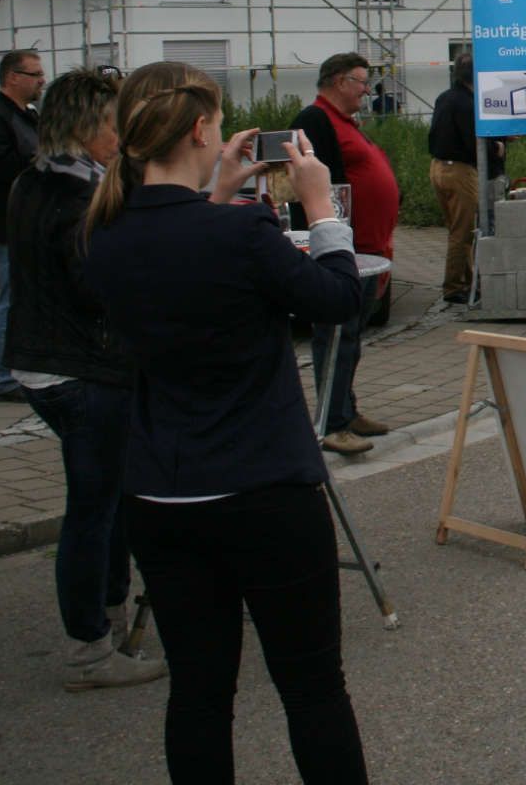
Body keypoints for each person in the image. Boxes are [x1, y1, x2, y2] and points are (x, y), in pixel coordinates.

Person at [82, 61, 369, 783]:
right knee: (311, 690)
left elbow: (181, 248)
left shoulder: (105, 236)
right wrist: (321, 209)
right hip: (265, 491)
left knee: (201, 694)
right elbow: (337, 299)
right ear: (202, 127)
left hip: (162, 497)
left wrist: (220, 193)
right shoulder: (240, 236)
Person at [6, 68, 167, 693]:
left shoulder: (38, 180)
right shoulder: (71, 198)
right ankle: (89, 647)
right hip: (80, 370)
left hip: (51, 363)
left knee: (107, 499)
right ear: (86, 127)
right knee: (94, 509)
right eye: (113, 128)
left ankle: (109, 614)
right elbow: (96, 288)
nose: (120, 139)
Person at [291, 53, 400, 455]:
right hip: (345, 250)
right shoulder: (315, 120)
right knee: (336, 335)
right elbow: (317, 186)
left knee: (352, 336)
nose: (366, 90)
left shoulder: (344, 122)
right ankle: (332, 423)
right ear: (338, 81)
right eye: (360, 81)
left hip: (367, 249)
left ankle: (346, 411)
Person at [0, 48, 44, 402]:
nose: (41, 80)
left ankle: (23, 368)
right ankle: (2, 379)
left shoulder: (28, 116)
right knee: (11, 301)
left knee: (23, 299)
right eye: (34, 74)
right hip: (5, 226)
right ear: (12, 77)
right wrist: (37, 160)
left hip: (27, 223)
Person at [427, 54, 504, 305]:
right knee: (464, 232)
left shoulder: (445, 98)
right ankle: (454, 287)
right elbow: (474, 143)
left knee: (455, 229)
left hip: (438, 167)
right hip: (460, 171)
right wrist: (496, 149)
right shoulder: (468, 104)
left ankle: (469, 281)